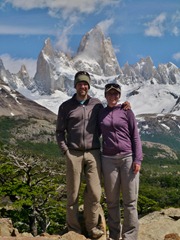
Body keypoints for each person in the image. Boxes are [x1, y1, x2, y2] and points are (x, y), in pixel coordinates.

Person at [56, 71, 130, 239]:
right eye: (80, 83)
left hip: (94, 152)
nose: (83, 86)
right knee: (72, 194)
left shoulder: (96, 105)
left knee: (95, 193)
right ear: (75, 85)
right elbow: (59, 132)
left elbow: (110, 115)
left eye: (86, 84)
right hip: (73, 153)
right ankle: (73, 230)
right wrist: (65, 151)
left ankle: (91, 227)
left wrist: (125, 105)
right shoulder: (66, 106)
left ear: (89, 86)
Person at [99, 83, 143, 240]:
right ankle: (114, 235)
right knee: (111, 201)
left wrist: (138, 158)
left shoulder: (126, 111)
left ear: (119, 96)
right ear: (105, 95)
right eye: (110, 94)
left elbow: (135, 136)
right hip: (108, 160)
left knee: (130, 201)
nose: (113, 97)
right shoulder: (100, 113)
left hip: (127, 158)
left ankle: (130, 236)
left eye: (116, 94)